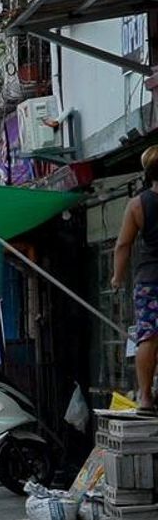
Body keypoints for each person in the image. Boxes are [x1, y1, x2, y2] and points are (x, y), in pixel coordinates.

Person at [112, 145, 158, 413]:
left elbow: (123, 245)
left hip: (149, 279)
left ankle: (145, 397)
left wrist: (117, 277)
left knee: (148, 337)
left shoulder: (138, 204)